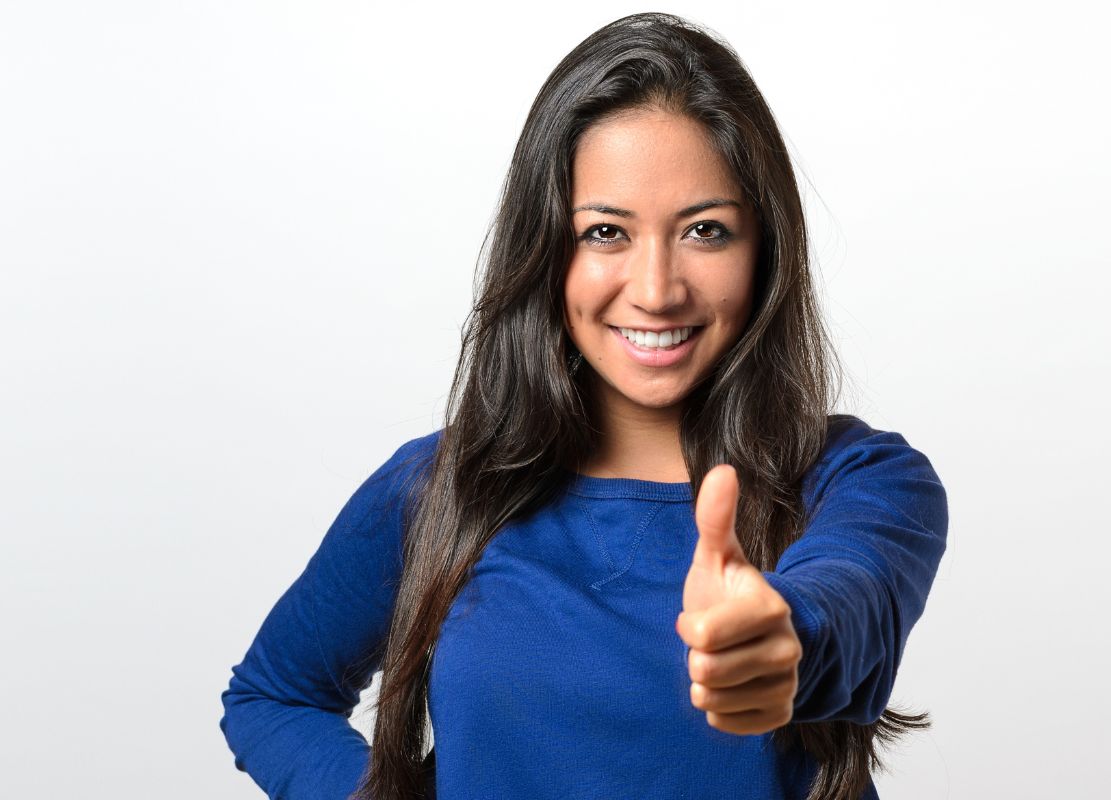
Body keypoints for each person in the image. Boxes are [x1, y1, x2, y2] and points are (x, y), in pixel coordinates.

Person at [219, 12, 949, 800]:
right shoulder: (438, 489)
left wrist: (780, 635)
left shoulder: (864, 481)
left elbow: (848, 590)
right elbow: (273, 697)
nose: (657, 289)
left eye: (707, 230)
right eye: (606, 232)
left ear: (764, 250)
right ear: (545, 251)